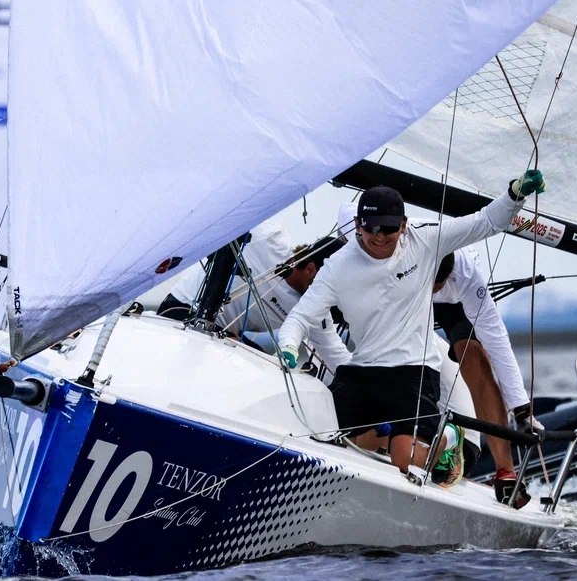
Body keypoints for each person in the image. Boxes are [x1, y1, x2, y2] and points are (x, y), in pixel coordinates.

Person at [278, 169, 546, 483]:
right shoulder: (338, 266)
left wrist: (515, 195)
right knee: (328, 436)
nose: (379, 236)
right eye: (370, 228)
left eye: (388, 229)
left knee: (405, 458)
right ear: (357, 225)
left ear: (404, 226)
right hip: (363, 369)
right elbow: (301, 316)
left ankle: (452, 438)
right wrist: (288, 346)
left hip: (413, 371)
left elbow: (487, 221)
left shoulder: (426, 240)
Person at [159, 223, 352, 373]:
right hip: (181, 310)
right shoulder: (269, 238)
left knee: (271, 370)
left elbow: (335, 354)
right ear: (310, 269)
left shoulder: (313, 306)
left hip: (222, 335)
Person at [431, 247, 539, 507]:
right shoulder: (388, 246)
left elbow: (497, 340)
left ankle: (505, 472)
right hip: (403, 283)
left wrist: (522, 409)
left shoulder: (466, 272)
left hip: (456, 300)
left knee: (473, 354)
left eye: (438, 284)